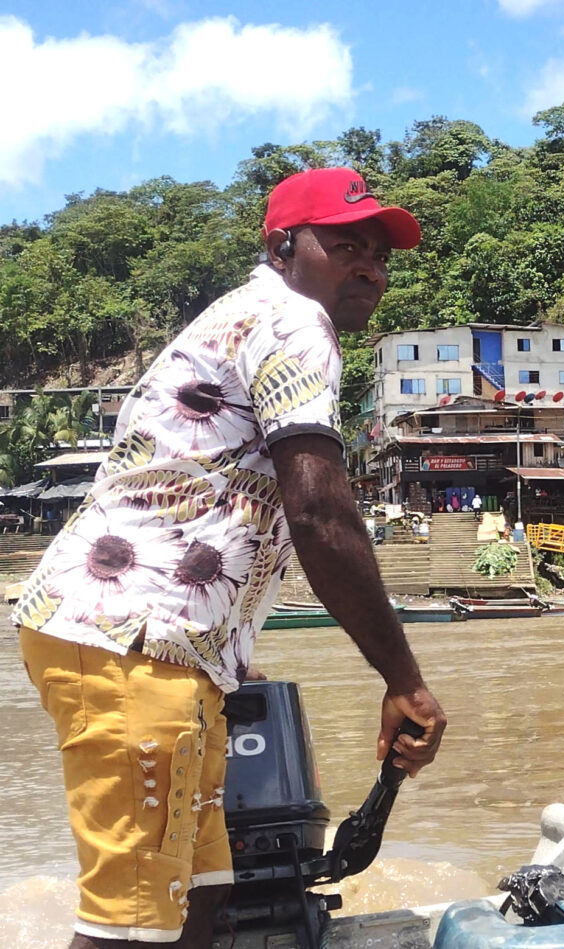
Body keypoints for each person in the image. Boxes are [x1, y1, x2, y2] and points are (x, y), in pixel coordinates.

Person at [12, 167, 447, 949]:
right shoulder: (293, 323)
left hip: (153, 642)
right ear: (283, 244)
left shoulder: (239, 317)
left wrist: (224, 652)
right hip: (132, 641)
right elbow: (319, 511)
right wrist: (404, 680)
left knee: (199, 899)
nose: (370, 268)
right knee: (131, 924)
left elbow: (194, 489)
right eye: (346, 244)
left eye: (380, 256)